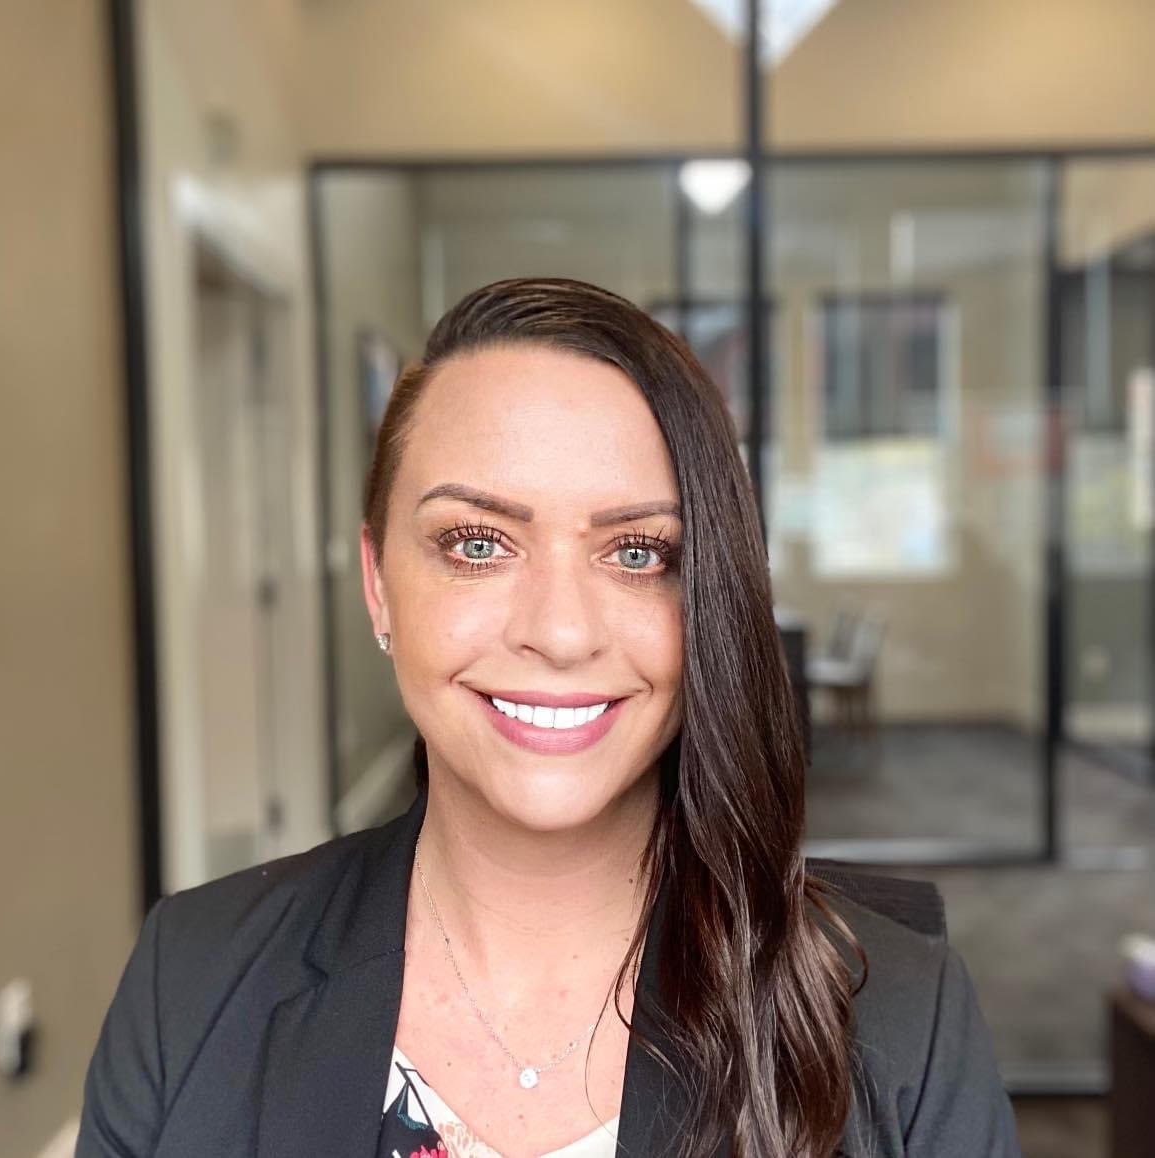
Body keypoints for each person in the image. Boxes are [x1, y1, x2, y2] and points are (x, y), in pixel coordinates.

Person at [76, 277, 1021, 1158]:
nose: (562, 633)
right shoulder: (190, 978)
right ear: (378, 586)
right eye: (477, 544)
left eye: (639, 552)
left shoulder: (901, 1015)